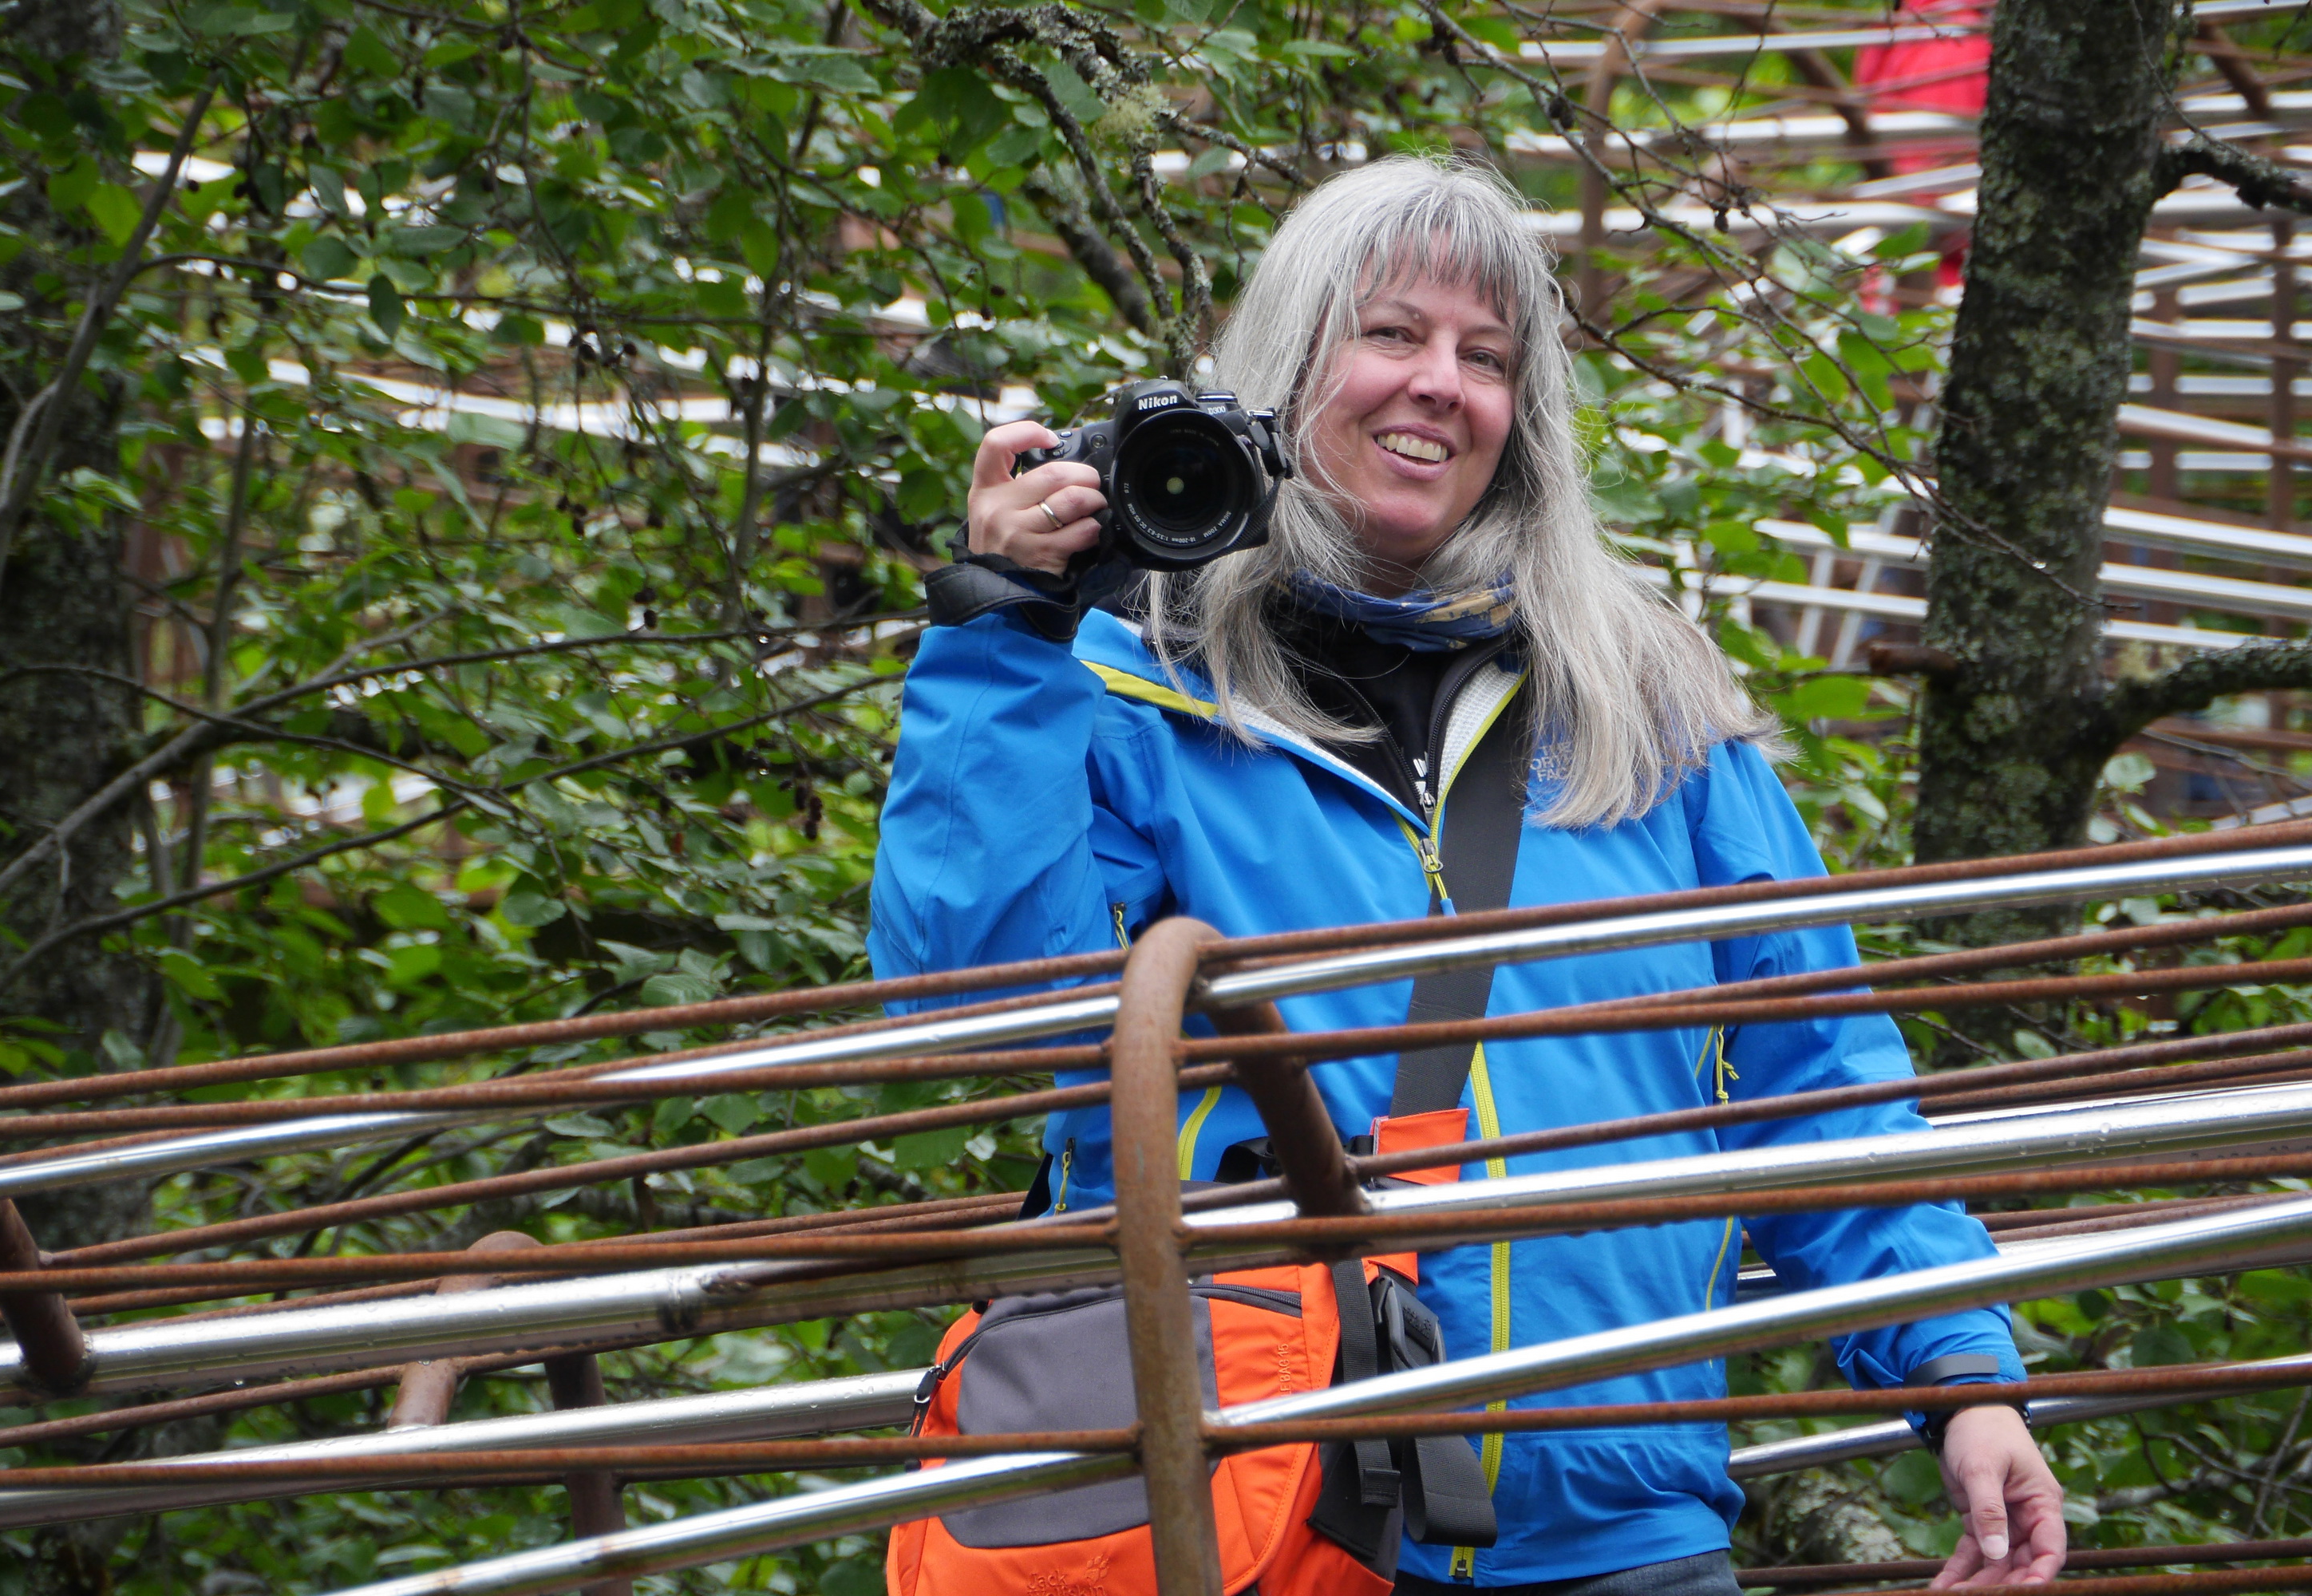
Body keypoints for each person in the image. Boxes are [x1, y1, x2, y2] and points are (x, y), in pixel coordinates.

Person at [867, 153, 2065, 1594]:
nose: (1441, 383)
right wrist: (1004, 641)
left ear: (1526, 417)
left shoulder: (1645, 699)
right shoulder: (1132, 688)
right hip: (1270, 1507)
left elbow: (1821, 1076)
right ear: (1289, 371)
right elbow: (971, 1003)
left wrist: (1961, 1368)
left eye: (1485, 356)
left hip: (1621, 1523)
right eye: (1392, 333)